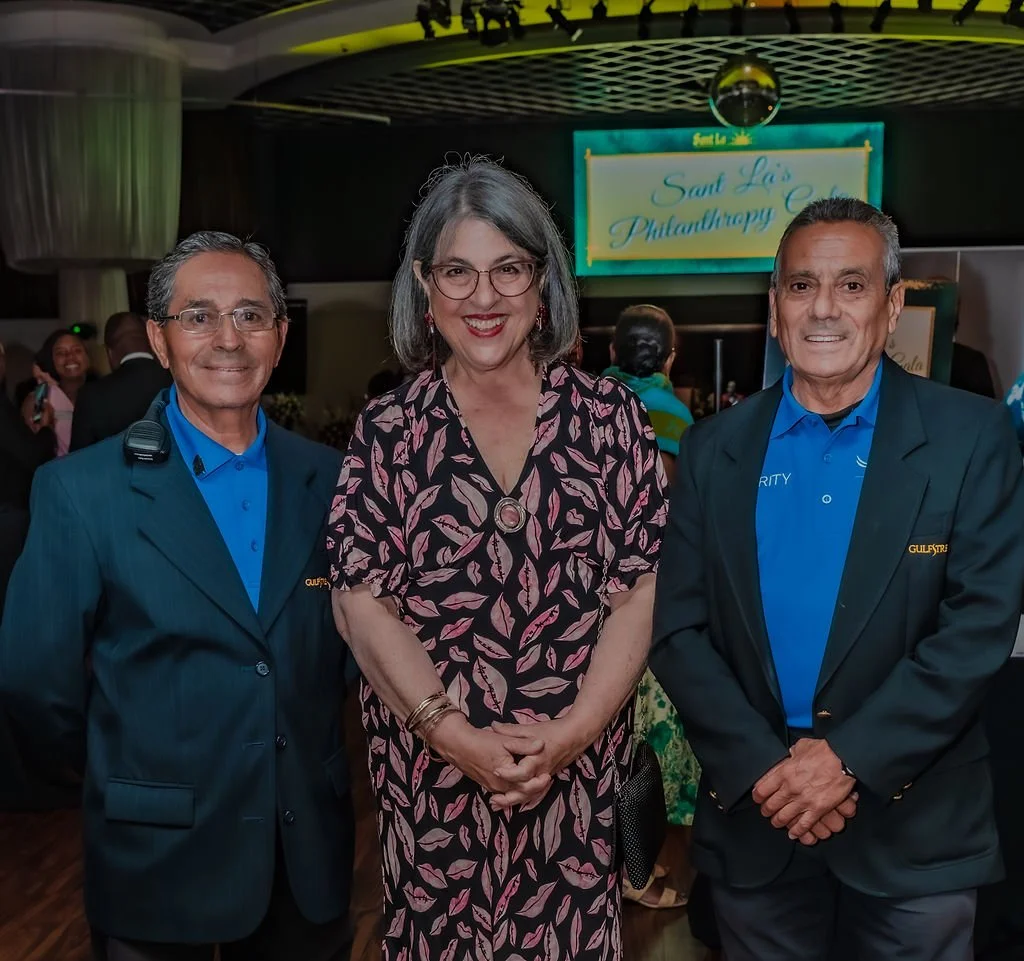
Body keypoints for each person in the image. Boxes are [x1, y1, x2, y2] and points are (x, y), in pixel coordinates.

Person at [650, 197, 1024, 961]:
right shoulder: (715, 448)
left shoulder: (971, 436)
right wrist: (765, 768)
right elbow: (678, 630)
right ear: (775, 308)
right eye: (801, 286)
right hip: (760, 817)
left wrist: (848, 758)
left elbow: (978, 625)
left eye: (851, 285)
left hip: (915, 826)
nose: (823, 308)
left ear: (892, 306)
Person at [327, 157, 667, 959]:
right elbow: (361, 605)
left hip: (575, 791)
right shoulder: (388, 433)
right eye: (458, 271)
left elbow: (639, 592)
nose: (483, 298)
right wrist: (453, 737)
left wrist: (574, 733)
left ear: (542, 281)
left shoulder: (611, 420)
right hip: (433, 796)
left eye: (508, 269)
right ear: (425, 283)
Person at [0, 231, 354, 961]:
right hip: (156, 860)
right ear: (159, 340)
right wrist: (117, 771)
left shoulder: (332, 479)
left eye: (251, 315)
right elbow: (34, 680)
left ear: (280, 337)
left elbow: (349, 652)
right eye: (199, 316)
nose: (228, 338)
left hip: (303, 856)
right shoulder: (81, 490)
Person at [602, 304, 693, 911]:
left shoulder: (579, 403)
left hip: (577, 601)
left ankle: (616, 858)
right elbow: (673, 518)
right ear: (670, 358)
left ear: (612, 354)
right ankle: (632, 869)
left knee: (600, 731)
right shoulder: (674, 416)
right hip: (648, 595)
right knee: (639, 736)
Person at [70, 311, 172, 451]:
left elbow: (78, 457)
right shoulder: (178, 380)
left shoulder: (91, 395)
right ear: (152, 342)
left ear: (110, 353)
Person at [23, 328, 92, 456]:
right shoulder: (40, 397)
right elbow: (33, 449)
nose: (70, 356)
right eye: (61, 353)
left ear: (87, 357)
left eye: (77, 350)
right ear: (51, 360)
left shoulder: (102, 392)